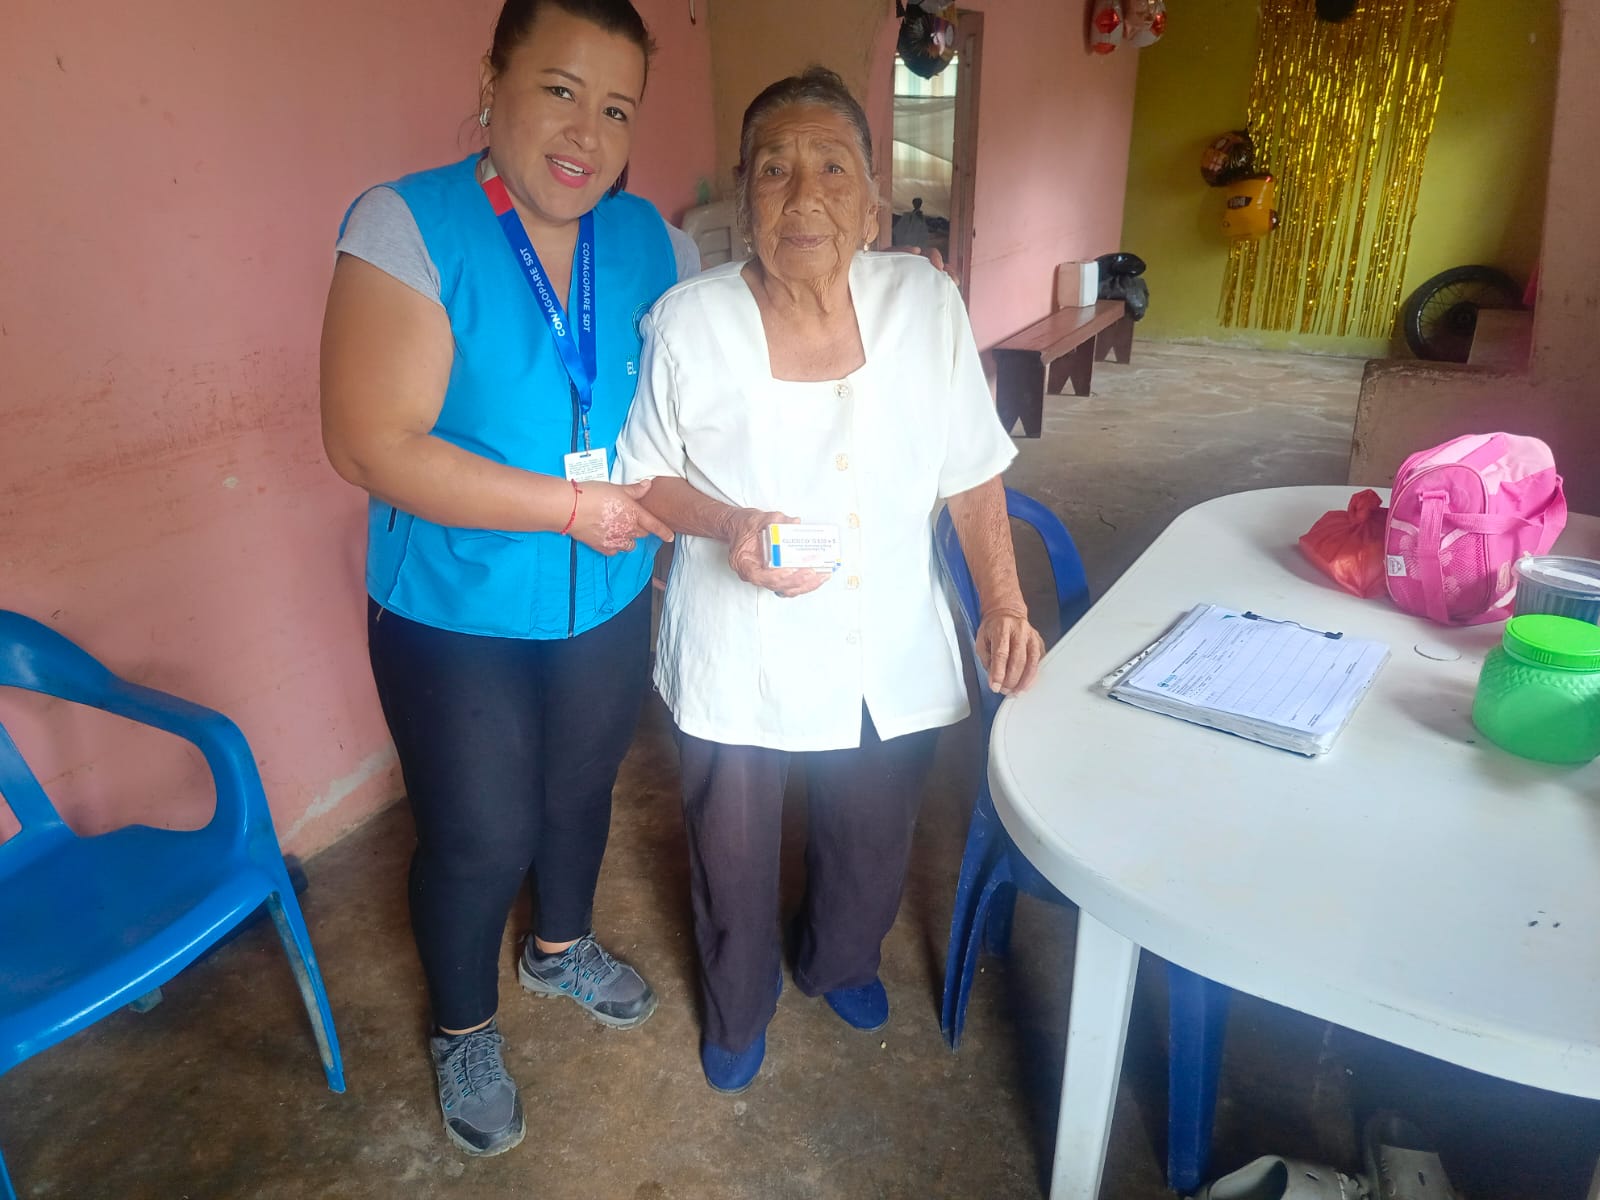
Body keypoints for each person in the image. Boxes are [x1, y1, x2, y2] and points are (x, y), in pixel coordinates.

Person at [614, 66, 1046, 1094]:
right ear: (743, 196)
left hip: (882, 630)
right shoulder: (687, 322)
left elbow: (971, 467)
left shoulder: (925, 304)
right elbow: (645, 477)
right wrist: (728, 524)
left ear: (871, 201)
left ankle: (840, 960)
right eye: (774, 170)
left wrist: (1003, 600)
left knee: (872, 831)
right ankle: (738, 1008)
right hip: (737, 641)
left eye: (832, 168)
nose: (803, 194)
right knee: (731, 851)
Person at [319, 0, 683, 1158]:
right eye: (559, 90)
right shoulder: (408, 224)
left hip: (605, 594)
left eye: (616, 108)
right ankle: (464, 1028)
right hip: (452, 608)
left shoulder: (646, 239)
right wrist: (575, 509)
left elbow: (698, 387)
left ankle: (559, 949)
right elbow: (370, 442)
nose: (586, 132)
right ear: (493, 80)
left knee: (580, 789)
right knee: (479, 834)